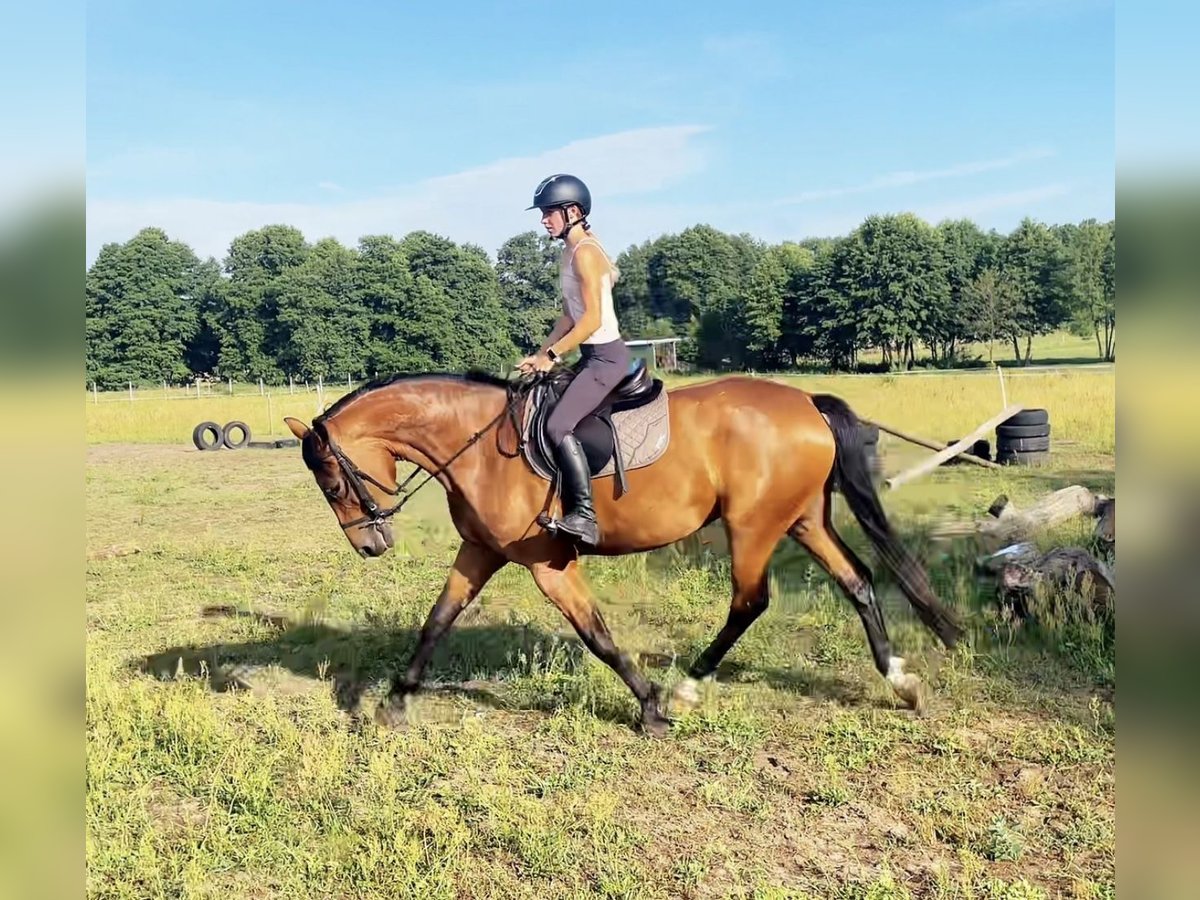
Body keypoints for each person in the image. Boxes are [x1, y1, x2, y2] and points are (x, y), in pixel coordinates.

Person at [517, 173, 630, 548]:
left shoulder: (587, 254)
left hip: (606, 359)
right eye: (544, 212)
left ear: (574, 212)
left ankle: (584, 515)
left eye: (550, 212)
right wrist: (540, 355)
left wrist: (553, 354)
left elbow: (592, 320)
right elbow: (568, 316)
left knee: (556, 425)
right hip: (588, 355)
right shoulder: (569, 252)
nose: (544, 219)